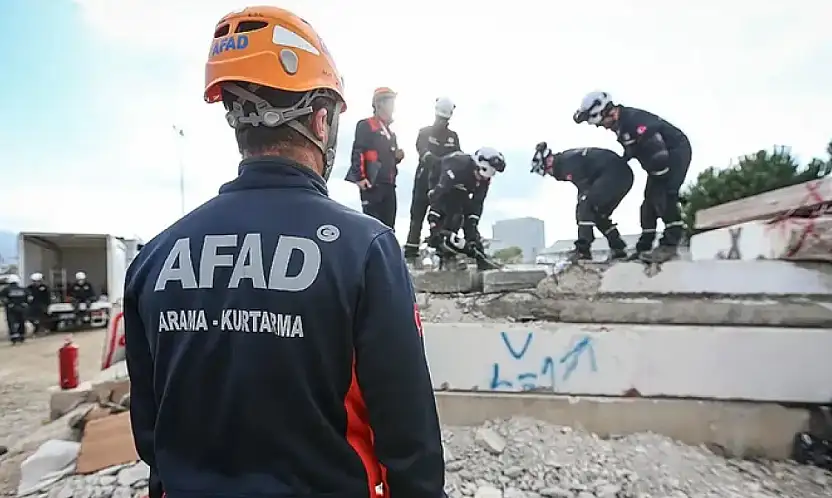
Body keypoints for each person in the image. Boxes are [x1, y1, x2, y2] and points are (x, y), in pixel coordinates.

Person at [122, 7, 443, 498]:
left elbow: (151, 435)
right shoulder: (366, 250)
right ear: (321, 119)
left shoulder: (153, 259)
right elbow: (409, 440)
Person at [573, 91, 692, 263]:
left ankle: (670, 245)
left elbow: (657, 151)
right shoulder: (622, 124)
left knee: (663, 196)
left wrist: (664, 181)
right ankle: (644, 248)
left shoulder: (634, 122)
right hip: (656, 159)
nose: (602, 127)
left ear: (609, 112)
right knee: (647, 205)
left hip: (674, 153)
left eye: (601, 123)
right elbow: (633, 149)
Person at [531, 143, 633, 261]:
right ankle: (618, 248)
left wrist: (583, 202)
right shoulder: (566, 160)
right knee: (597, 213)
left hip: (614, 174)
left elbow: (584, 189)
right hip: (621, 175)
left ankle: (583, 250)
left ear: (549, 161)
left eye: (547, 171)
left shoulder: (567, 164)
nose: (549, 174)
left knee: (585, 208)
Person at [404, 97, 461, 265]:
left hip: (443, 185)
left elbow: (457, 159)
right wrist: (440, 163)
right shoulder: (424, 133)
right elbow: (424, 153)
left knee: (442, 218)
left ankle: (445, 254)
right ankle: (411, 255)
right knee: (417, 217)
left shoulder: (453, 137)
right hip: (424, 181)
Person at [427, 148, 505, 270]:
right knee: (452, 215)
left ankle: (481, 257)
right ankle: (446, 256)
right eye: (478, 175)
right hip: (438, 181)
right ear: (476, 166)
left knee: (468, 220)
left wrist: (473, 230)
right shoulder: (457, 165)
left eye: (484, 178)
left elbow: (477, 204)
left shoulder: (484, 179)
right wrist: (433, 220)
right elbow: (438, 195)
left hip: (460, 188)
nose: (480, 179)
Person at [345, 87, 405, 229]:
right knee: (372, 227)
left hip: (389, 185)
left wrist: (397, 156)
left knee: (388, 228)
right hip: (373, 184)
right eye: (390, 102)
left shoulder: (391, 133)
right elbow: (358, 150)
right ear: (379, 104)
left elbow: (389, 158)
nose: (393, 107)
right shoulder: (366, 125)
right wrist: (360, 177)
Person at [1, 275, 29, 344]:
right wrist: (25, 303)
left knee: (12, 322)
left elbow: (3, 298)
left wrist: (9, 303)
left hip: (11, 309)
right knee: (21, 322)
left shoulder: (6, 289)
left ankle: (14, 338)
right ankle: (22, 336)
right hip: (21, 308)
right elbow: (29, 297)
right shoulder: (23, 289)